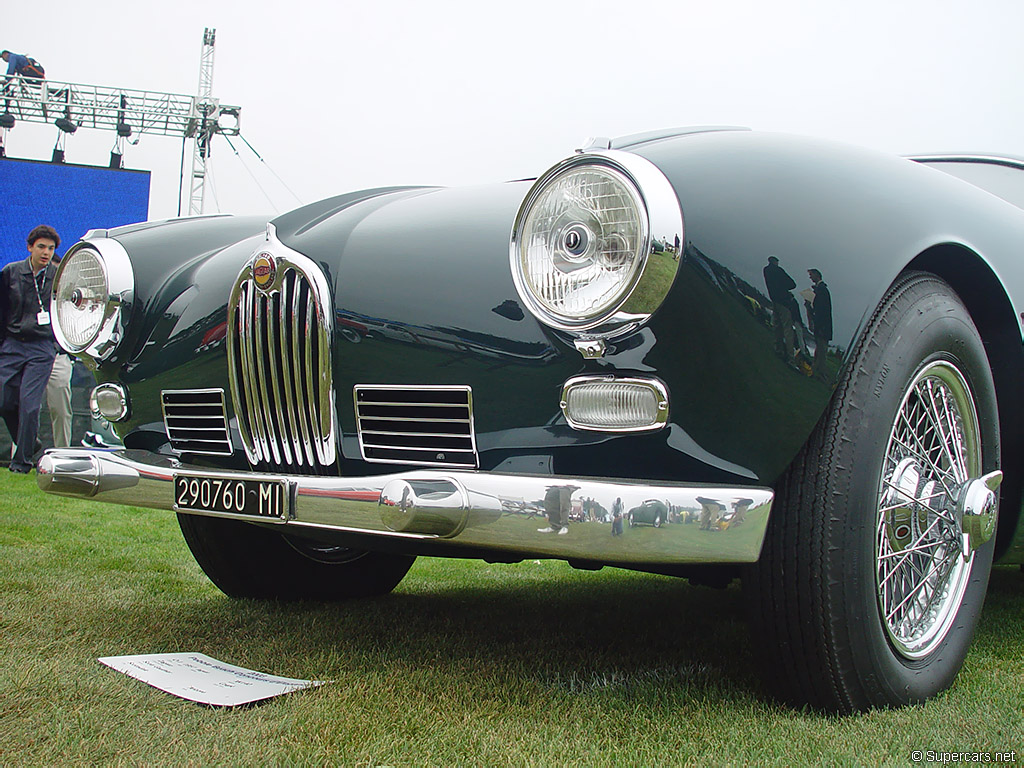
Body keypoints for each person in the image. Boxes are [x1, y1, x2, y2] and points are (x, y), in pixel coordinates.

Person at [0, 225, 60, 472]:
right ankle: (31, 444)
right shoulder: (11, 272)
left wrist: (56, 345)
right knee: (3, 399)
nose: (46, 252)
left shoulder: (58, 276)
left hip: (41, 347)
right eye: (42, 247)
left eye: (51, 248)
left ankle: (21, 462)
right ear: (30, 247)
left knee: (30, 404)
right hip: (12, 344)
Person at [762, 255, 798, 360]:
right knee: (787, 328)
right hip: (784, 302)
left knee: (777, 326)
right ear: (775, 262)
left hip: (774, 300)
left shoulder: (766, 270)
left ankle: (778, 348)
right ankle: (790, 355)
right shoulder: (779, 271)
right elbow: (792, 284)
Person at [807, 268, 833, 380]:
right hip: (822, 325)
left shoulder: (822, 290)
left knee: (822, 350)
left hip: (822, 325)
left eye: (811, 275)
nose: (810, 278)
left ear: (817, 275)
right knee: (820, 348)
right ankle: (815, 369)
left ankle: (821, 373)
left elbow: (822, 309)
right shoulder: (821, 289)